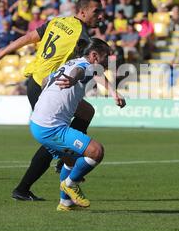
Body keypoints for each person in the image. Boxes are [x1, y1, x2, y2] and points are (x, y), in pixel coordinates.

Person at [0, 0, 124, 201]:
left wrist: (0, 54)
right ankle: (27, 186)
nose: (101, 16)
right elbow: (92, 66)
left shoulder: (57, 21)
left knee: (86, 112)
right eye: (97, 11)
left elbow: (27, 38)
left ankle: (62, 161)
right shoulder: (82, 36)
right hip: (47, 86)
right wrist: (113, 91)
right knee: (52, 136)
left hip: (36, 81)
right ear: (83, 11)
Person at [29, 38, 121, 211]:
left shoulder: (71, 62)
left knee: (70, 161)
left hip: (37, 123)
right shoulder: (83, 66)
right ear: (94, 56)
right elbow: (80, 72)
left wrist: (113, 93)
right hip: (51, 127)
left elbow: (44, 82)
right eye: (106, 56)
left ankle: (65, 203)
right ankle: (70, 184)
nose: (109, 59)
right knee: (96, 152)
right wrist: (72, 80)